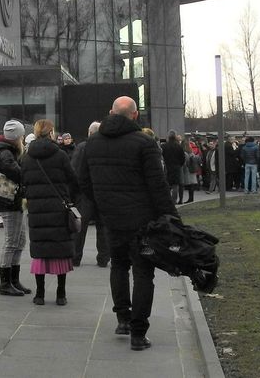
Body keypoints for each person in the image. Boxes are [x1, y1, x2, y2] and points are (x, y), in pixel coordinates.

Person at [77, 97, 177, 351]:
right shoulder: (145, 143)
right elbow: (158, 186)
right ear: (135, 115)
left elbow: (84, 181)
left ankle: (123, 319)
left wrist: (101, 206)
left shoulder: (93, 143)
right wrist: (171, 219)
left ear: (111, 112)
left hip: (111, 219)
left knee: (118, 267)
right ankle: (138, 332)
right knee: (144, 273)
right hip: (142, 222)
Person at [20, 119, 78, 306]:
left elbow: (24, 181)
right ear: (51, 133)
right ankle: (61, 294)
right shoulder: (60, 155)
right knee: (60, 249)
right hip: (58, 207)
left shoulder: (28, 157)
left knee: (40, 249)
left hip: (37, 209)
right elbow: (72, 179)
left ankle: (40, 294)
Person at [0, 119, 31, 296]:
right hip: (9, 202)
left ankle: (14, 280)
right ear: (17, 137)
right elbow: (20, 174)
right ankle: (5, 282)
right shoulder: (6, 153)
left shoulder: (7, 151)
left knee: (19, 241)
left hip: (13, 202)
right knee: (11, 242)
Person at [71, 121, 108, 267]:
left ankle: (76, 256)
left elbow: (75, 171)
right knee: (103, 227)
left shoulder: (82, 147)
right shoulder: (107, 147)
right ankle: (103, 258)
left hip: (85, 194)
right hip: (102, 193)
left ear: (89, 132)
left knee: (80, 227)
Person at [162, 131, 186, 204]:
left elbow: (162, 156)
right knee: (175, 185)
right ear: (175, 137)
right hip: (176, 167)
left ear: (168, 137)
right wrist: (179, 164)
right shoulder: (178, 146)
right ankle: (174, 200)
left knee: (167, 185)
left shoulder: (164, 146)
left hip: (167, 167)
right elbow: (183, 158)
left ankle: (167, 200)